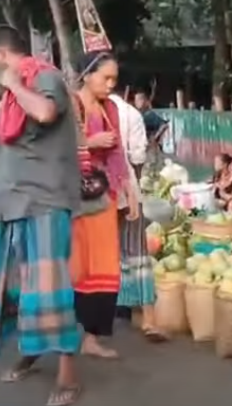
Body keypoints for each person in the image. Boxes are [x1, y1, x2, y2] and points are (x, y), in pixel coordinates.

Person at [0, 25, 81, 405]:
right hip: (12, 202)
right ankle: (32, 348)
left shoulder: (43, 77)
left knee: (50, 289)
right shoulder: (13, 90)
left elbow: (44, 111)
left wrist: (13, 84)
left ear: (0, 54)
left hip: (43, 201)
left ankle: (68, 374)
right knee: (17, 286)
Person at [69, 50, 140, 359]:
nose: (111, 84)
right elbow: (56, 148)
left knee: (104, 266)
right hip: (75, 198)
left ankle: (92, 337)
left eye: (114, 79)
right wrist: (89, 143)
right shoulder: (71, 104)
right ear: (87, 75)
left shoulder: (110, 107)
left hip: (104, 197)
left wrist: (129, 192)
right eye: (105, 77)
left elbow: (118, 153)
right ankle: (66, 334)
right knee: (76, 265)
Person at [109, 90, 166, 342]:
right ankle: (148, 318)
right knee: (137, 253)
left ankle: (115, 308)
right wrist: (133, 186)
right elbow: (138, 158)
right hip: (127, 191)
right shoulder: (130, 113)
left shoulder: (83, 109)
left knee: (108, 253)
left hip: (95, 195)